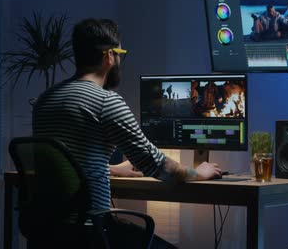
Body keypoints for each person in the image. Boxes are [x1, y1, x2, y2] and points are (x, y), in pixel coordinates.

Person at [32, 18, 221, 248]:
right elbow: (156, 165)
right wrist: (199, 173)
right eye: (120, 53)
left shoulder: (44, 100)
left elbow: (63, 162)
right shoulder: (105, 101)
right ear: (109, 55)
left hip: (48, 232)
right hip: (93, 232)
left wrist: (111, 169)